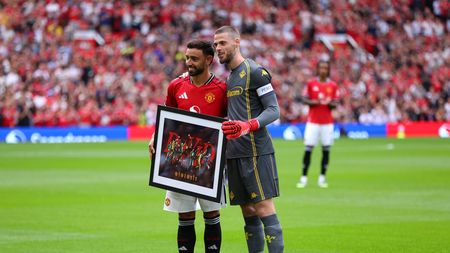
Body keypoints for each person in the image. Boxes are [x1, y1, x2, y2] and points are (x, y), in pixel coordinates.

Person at [148, 39, 227, 253]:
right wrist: (155, 136)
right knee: (184, 216)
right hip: (180, 161)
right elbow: (167, 117)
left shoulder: (221, 89)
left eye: (194, 58)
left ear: (209, 60)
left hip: (209, 163)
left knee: (212, 215)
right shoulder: (176, 86)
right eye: (187, 58)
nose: (188, 62)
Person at [214, 26, 284, 253]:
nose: (218, 48)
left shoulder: (255, 72)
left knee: (263, 208)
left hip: (256, 151)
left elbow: (273, 110)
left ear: (237, 42)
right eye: (215, 45)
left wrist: (248, 125)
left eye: (222, 43)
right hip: (234, 154)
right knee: (248, 212)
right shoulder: (230, 77)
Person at [296, 60, 339, 188]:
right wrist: (314, 102)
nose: (323, 70)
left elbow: (335, 103)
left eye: (326, 68)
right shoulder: (311, 83)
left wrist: (329, 102)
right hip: (313, 122)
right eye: (321, 68)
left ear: (328, 70)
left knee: (326, 149)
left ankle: (322, 177)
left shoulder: (333, 85)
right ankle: (304, 177)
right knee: (308, 149)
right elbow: (304, 99)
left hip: (327, 123)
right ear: (318, 69)